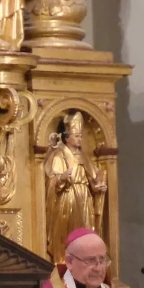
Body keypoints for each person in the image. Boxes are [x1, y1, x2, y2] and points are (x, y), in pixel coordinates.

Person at [44, 111, 108, 263]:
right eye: (77, 136)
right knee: (67, 231)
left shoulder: (84, 156)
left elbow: (92, 178)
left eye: (81, 136)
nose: (80, 139)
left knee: (86, 229)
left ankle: (86, 261)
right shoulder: (59, 155)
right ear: (67, 137)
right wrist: (61, 178)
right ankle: (64, 261)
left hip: (84, 197)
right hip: (68, 197)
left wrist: (98, 188)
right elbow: (51, 179)